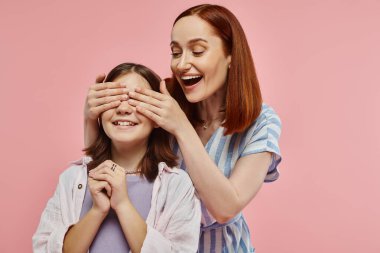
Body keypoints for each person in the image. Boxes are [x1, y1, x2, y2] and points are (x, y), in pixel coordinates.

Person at [84, 4, 282, 252]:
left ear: (230, 54)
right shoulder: (164, 100)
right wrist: (91, 117)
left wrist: (181, 127)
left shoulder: (261, 122)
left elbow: (226, 207)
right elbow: (110, 156)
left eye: (197, 51)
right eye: (176, 52)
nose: (182, 64)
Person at [33, 63, 201, 253]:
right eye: (114, 99)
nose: (123, 108)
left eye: (135, 100)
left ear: (157, 117)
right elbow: (44, 249)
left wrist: (122, 204)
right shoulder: (72, 179)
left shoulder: (177, 185)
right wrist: (97, 211)